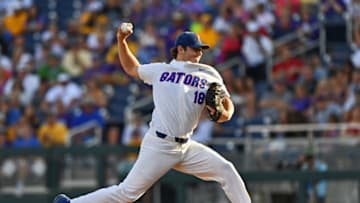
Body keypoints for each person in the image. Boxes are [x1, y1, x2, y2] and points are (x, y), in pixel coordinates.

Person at [53, 23, 251, 203]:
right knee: (127, 194)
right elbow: (132, 68)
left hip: (187, 146)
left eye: (201, 49)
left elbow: (228, 106)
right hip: (160, 145)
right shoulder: (161, 70)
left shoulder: (209, 73)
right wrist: (121, 41)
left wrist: (224, 113)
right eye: (195, 48)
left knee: (227, 171)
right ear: (180, 49)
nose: (199, 52)